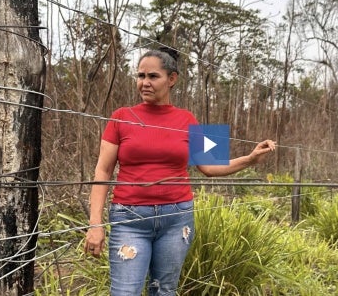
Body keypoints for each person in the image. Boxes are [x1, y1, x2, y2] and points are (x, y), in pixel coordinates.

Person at [84, 47, 276, 296]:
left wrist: (249, 159)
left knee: (164, 291)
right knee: (124, 292)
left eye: (153, 76)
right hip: (130, 219)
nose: (145, 83)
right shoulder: (121, 117)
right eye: (140, 76)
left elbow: (209, 166)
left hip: (177, 220)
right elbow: (102, 170)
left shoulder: (189, 119)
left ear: (172, 79)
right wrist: (95, 224)